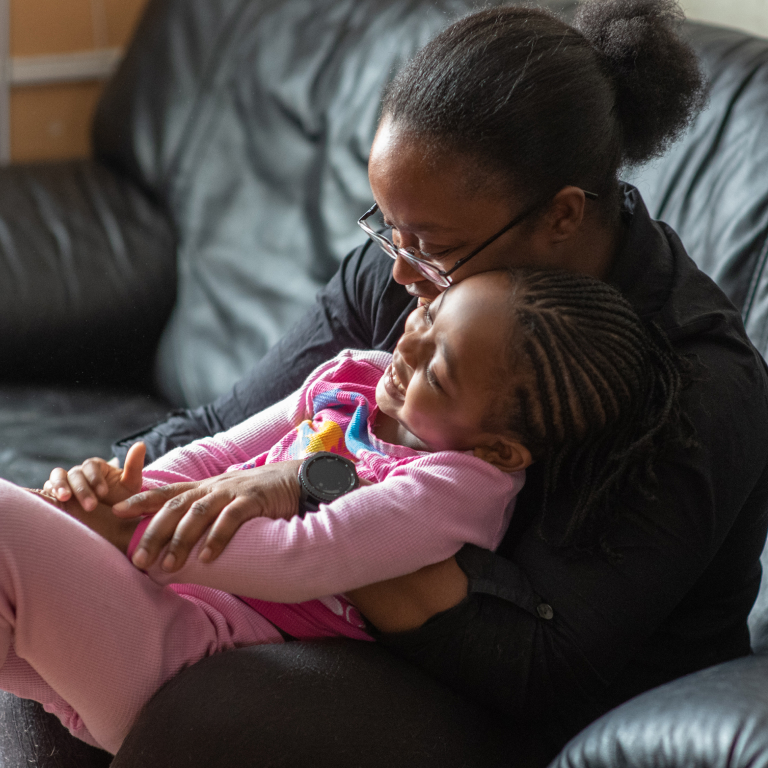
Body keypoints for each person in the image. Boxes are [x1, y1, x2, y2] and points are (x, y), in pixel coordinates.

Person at [43, 0, 768, 764]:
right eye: (391, 229)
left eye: (432, 244)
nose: (397, 270)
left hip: (539, 711)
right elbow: (224, 420)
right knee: (68, 612)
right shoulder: (418, 271)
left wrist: (317, 491)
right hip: (350, 627)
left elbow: (541, 666)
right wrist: (102, 487)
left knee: (200, 707)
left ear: (561, 217)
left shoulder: (694, 386)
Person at [3, 268, 684, 754]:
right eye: (428, 316)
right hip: (146, 605)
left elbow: (306, 556)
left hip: (195, 659)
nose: (406, 350)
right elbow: (216, 455)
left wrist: (131, 531)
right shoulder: (354, 374)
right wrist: (119, 497)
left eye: (436, 373)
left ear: (499, 446)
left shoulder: (456, 490)